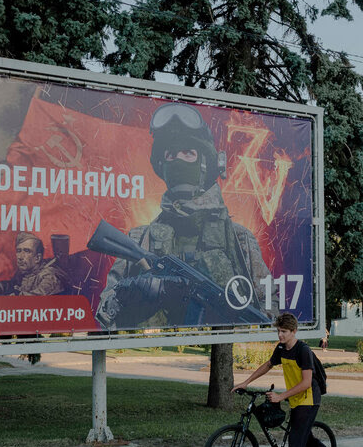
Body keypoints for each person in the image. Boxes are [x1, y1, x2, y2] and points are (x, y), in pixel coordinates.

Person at [96, 102, 278, 330]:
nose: (178, 160)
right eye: (171, 154)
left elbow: (269, 310)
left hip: (216, 351)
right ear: (162, 165)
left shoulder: (238, 240)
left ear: (205, 163)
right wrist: (131, 293)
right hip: (154, 355)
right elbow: (104, 316)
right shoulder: (140, 238)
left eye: (188, 153)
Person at [232, 313, 348, 447]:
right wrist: (246, 382)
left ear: (294, 331)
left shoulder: (303, 350)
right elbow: (268, 365)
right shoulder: (281, 348)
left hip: (309, 398)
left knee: (296, 442)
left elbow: (306, 382)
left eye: (284, 332)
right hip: (296, 397)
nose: (280, 335)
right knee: (307, 440)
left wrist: (281, 396)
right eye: (278, 331)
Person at [2, 232, 68, 296]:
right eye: (18, 251)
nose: (20, 257)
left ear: (37, 258)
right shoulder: (22, 273)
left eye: (27, 251)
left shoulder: (49, 276)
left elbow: (35, 297)